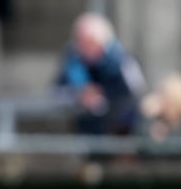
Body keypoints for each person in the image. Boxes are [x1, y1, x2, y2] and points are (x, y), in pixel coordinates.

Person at [54, 12, 146, 140]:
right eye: (81, 41)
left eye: (90, 42)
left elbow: (136, 93)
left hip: (118, 134)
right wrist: (79, 96)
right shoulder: (73, 62)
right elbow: (56, 92)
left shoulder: (123, 61)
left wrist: (104, 96)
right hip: (84, 133)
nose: (84, 47)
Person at [137, 72, 181, 158]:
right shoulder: (154, 119)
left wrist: (161, 140)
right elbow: (143, 148)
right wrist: (147, 117)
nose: (160, 99)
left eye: (164, 96)